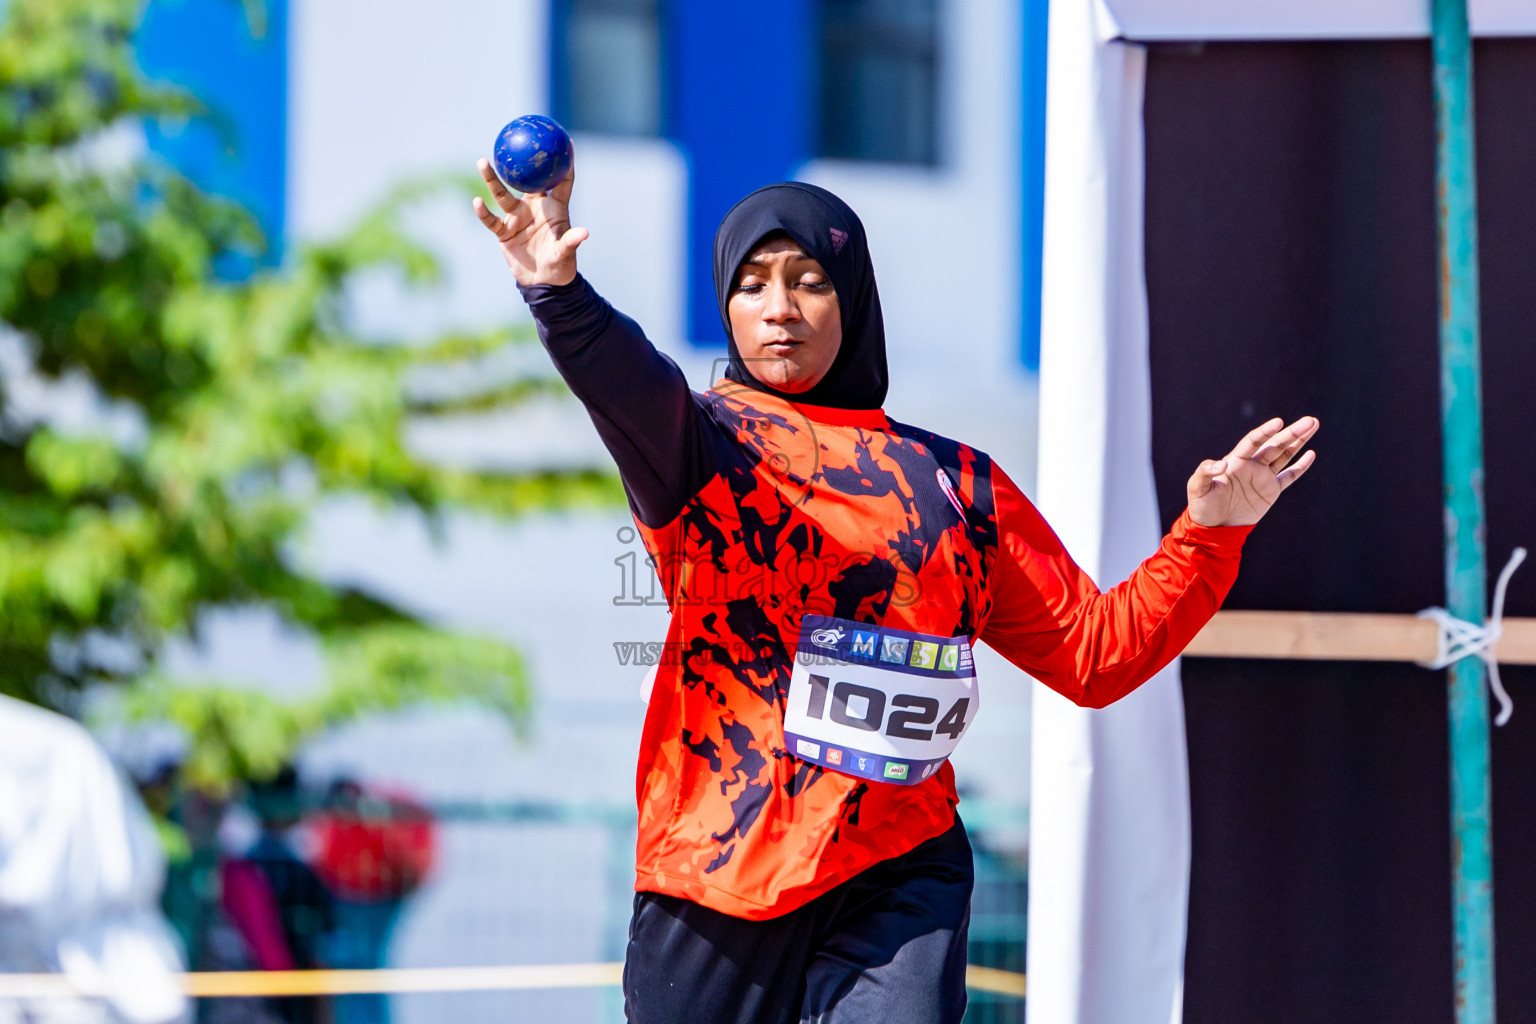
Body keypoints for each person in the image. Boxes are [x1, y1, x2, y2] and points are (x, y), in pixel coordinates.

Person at [471, 151, 1317, 1024]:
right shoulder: (702, 445)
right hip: (721, 875)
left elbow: (1095, 656)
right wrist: (560, 297)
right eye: (752, 284)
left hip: (899, 868)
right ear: (725, 304)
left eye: (809, 281)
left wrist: (1211, 534)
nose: (780, 309)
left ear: (854, 297)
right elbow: (630, 387)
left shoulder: (959, 485)